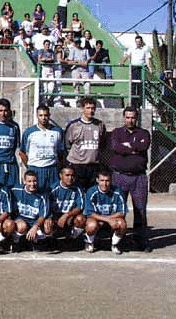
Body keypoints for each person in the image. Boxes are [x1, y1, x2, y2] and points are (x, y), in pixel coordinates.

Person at [110, 106, 151, 252]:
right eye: (127, 117)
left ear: (137, 118)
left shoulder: (144, 133)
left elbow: (143, 145)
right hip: (120, 176)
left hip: (138, 177)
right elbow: (115, 147)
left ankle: (140, 240)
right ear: (124, 117)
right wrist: (133, 148)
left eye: (133, 117)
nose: (130, 120)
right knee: (118, 210)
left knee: (140, 210)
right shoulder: (116, 132)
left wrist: (126, 147)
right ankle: (117, 240)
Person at [20, 105, 65, 193]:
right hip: (36, 168)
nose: (43, 118)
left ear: (49, 115)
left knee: (53, 195)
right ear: (37, 116)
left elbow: (61, 152)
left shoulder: (57, 131)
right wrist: (30, 166)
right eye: (40, 115)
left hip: (52, 169)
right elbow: (22, 152)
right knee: (36, 194)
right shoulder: (29, 132)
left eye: (45, 115)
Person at [65, 97, 106, 191]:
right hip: (77, 165)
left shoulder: (100, 125)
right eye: (87, 108)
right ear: (82, 109)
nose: (90, 111)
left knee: (92, 192)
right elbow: (67, 145)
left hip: (93, 166)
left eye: (92, 108)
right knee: (77, 192)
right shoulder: (73, 126)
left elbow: (102, 143)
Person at [84, 170, 127, 255]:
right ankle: (89, 242)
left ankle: (115, 244)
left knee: (122, 224)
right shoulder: (91, 192)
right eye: (102, 180)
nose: (105, 183)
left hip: (112, 218)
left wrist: (110, 219)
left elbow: (122, 212)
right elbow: (89, 213)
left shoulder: (117, 192)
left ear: (111, 181)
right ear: (97, 180)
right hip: (97, 219)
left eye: (107, 181)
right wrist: (108, 220)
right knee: (91, 225)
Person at [44, 166, 86, 249]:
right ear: (61, 175)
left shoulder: (78, 188)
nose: (70, 178)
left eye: (72, 176)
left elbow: (80, 207)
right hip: (55, 216)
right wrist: (49, 217)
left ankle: (72, 239)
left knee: (81, 219)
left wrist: (67, 215)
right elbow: (46, 206)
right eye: (67, 175)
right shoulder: (52, 189)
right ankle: (50, 241)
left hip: (69, 216)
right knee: (47, 224)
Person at [11, 171, 51, 251]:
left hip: (34, 220)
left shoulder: (42, 195)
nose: (32, 184)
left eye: (34, 181)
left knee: (48, 226)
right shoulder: (15, 190)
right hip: (21, 219)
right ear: (24, 181)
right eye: (29, 181)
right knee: (21, 226)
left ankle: (36, 242)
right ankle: (16, 242)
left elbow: (42, 215)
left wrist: (36, 226)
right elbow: (0, 187)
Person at [119, 35, 153, 107]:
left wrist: (150, 69)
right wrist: (122, 62)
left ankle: (140, 102)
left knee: (141, 85)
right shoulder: (131, 48)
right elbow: (126, 55)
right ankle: (133, 103)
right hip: (134, 67)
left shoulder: (145, 49)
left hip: (141, 68)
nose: (138, 43)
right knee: (133, 84)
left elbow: (147, 59)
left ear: (141, 42)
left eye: (139, 41)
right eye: (137, 41)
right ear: (135, 42)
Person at [38, 39, 56, 105]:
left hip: (50, 69)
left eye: (48, 44)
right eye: (46, 44)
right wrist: (48, 59)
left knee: (51, 86)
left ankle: (47, 100)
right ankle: (44, 102)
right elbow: (40, 59)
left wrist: (45, 59)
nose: (47, 46)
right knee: (44, 87)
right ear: (44, 45)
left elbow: (53, 59)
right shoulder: (41, 51)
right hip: (44, 68)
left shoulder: (52, 52)